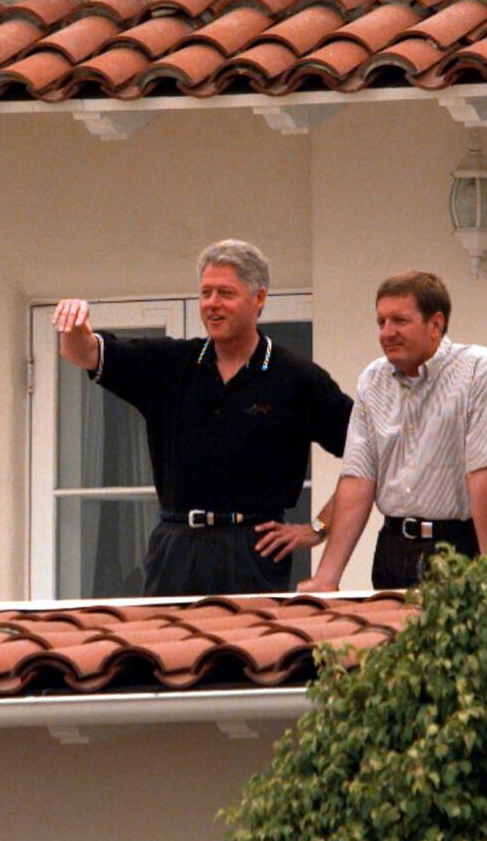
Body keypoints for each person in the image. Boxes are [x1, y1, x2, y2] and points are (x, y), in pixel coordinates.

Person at [52, 239, 354, 596]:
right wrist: (73, 326)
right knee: (164, 651)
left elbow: (366, 457)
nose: (212, 304)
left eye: (225, 293)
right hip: (175, 546)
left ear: (259, 298)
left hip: (252, 550)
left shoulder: (296, 378)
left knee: (247, 652)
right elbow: (82, 353)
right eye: (205, 293)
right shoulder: (171, 365)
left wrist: (318, 527)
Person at [300, 270, 487, 592]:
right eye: (381, 322)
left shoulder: (480, 370)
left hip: (456, 547)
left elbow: (483, 473)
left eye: (400, 321)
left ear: (436, 324)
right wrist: (326, 577)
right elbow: (358, 478)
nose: (387, 332)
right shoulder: (373, 380)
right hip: (392, 549)